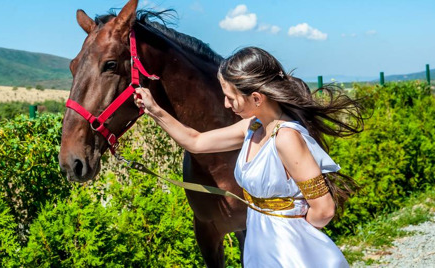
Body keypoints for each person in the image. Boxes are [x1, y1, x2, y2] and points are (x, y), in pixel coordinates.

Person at [134, 46, 362, 268]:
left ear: (256, 98)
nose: (226, 104)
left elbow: (324, 209)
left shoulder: (286, 138)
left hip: (287, 250)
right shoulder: (251, 127)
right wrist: (154, 110)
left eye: (231, 98)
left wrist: (296, 236)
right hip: (259, 241)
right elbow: (196, 141)